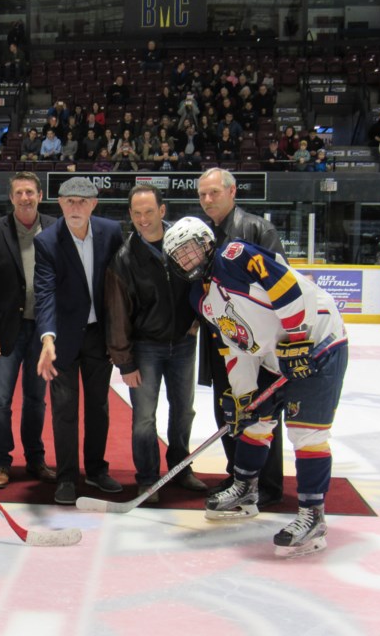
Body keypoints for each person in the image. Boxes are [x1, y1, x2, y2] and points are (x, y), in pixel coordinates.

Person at [162, 216, 348, 558]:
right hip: (275, 354)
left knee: (307, 433)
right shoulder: (200, 299)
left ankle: (313, 516)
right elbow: (236, 344)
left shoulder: (235, 255)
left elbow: (287, 289)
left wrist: (296, 341)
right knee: (253, 419)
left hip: (318, 340)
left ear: (205, 243)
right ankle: (246, 488)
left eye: (189, 250)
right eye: (179, 256)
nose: (186, 260)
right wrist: (242, 393)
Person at [103, 185, 207, 503]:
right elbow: (118, 315)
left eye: (149, 212)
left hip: (184, 345)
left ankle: (180, 468)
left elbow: (204, 282)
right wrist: (126, 362)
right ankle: (148, 479)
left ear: (162, 211)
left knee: (183, 411)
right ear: (130, 215)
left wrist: (197, 319)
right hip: (145, 349)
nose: (143, 219)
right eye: (137, 213)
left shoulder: (184, 243)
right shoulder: (124, 258)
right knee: (144, 418)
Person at [195, 168, 286, 507]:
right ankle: (239, 475)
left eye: (214, 193)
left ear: (232, 192)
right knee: (229, 410)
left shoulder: (257, 229)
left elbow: (281, 284)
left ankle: (269, 484)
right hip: (222, 342)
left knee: (261, 412)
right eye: (202, 194)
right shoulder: (205, 234)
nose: (207, 200)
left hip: (257, 345)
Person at [34, 176, 124, 505]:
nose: (75, 206)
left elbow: (120, 285)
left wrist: (122, 336)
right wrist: (47, 338)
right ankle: (67, 477)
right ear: (58, 203)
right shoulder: (46, 241)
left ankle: (97, 470)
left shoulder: (112, 232)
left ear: (94, 204)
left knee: (99, 407)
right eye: (69, 200)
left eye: (82, 201)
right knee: (64, 410)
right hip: (62, 340)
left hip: (100, 336)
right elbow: (44, 294)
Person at [0, 173, 58, 488]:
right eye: (19, 193)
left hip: (43, 331)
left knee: (36, 399)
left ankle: (35, 459)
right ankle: (1, 460)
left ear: (39, 195)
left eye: (30, 192)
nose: (25, 197)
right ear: (11, 198)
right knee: (0, 400)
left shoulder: (55, 228)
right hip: (7, 331)